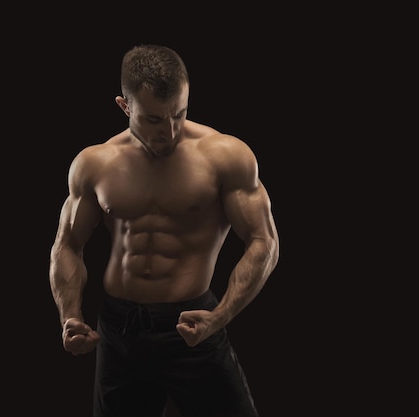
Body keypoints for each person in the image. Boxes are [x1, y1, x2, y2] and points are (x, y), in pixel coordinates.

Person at [49, 44, 279, 417]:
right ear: (125, 107)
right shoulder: (95, 163)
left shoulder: (225, 156)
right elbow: (68, 244)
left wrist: (219, 317)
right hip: (120, 331)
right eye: (154, 120)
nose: (169, 132)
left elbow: (264, 241)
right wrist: (70, 316)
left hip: (193, 324)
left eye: (180, 114)